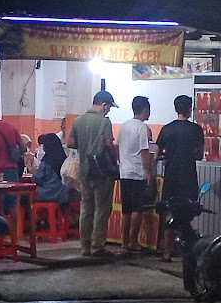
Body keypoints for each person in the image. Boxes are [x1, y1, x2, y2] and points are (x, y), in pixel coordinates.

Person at [67, 91, 118, 257]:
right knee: (102, 209)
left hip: (84, 171)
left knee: (86, 208)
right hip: (102, 172)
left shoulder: (78, 120)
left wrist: (85, 148)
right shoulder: (104, 122)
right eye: (109, 107)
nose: (109, 110)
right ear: (104, 105)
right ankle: (97, 246)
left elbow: (70, 143)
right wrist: (114, 158)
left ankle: (85, 247)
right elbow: (108, 144)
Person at [156, 95, 204, 262]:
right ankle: (187, 251)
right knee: (187, 212)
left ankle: (167, 251)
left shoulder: (167, 129)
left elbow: (158, 153)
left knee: (170, 212)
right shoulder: (196, 129)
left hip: (171, 176)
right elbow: (199, 155)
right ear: (189, 108)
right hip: (188, 176)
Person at [117, 96, 153, 255]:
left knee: (126, 210)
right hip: (138, 173)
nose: (149, 113)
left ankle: (124, 243)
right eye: (149, 110)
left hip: (124, 172)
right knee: (137, 209)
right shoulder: (142, 128)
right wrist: (149, 172)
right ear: (144, 109)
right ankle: (133, 241)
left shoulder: (124, 126)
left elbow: (116, 147)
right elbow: (145, 152)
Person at [33, 133, 73, 204]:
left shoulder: (46, 161)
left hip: (48, 193)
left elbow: (37, 179)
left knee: (27, 196)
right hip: (64, 193)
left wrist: (31, 169)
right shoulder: (64, 158)